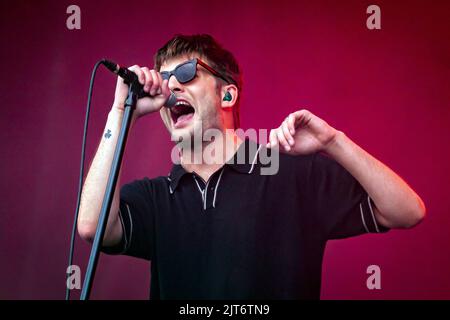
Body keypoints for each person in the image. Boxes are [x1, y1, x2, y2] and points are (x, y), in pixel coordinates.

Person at [78, 34, 426, 299]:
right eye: (165, 79)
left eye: (186, 73)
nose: (171, 87)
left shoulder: (291, 176)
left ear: (227, 95)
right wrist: (121, 112)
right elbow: (93, 227)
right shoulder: (157, 197)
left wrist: (333, 142)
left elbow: (406, 211)